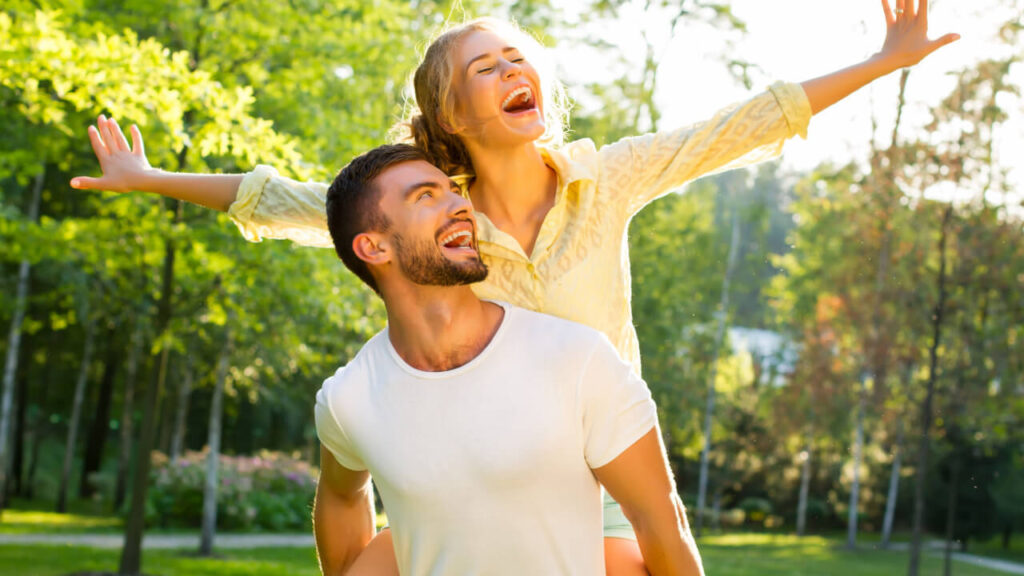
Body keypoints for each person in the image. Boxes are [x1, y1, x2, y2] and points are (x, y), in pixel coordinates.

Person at [71, 2, 957, 573]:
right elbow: (288, 201)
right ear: (452, 112)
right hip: (476, 468)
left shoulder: (603, 179)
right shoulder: (439, 220)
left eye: (516, 59)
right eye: (484, 69)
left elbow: (744, 123)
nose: (511, 72)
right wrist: (149, 180)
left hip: (601, 469)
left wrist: (887, 60)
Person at [313, 143, 698, 576]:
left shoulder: (578, 360)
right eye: (426, 196)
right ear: (373, 247)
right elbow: (342, 497)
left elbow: (662, 525)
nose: (460, 205)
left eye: (453, 192)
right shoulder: (348, 399)